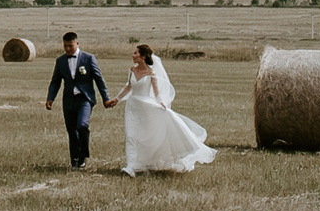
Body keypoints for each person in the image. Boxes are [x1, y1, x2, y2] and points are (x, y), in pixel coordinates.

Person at [118, 44, 214, 175]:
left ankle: (141, 163)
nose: (133, 55)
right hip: (132, 107)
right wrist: (116, 99)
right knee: (131, 136)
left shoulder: (152, 73)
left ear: (143, 56)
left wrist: (162, 104)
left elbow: (157, 93)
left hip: (146, 107)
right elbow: (128, 87)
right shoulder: (132, 70)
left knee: (144, 136)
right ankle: (130, 166)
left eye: (135, 53)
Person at [43, 31, 111, 170]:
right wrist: (51, 98)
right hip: (68, 100)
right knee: (72, 131)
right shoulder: (60, 61)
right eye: (65, 46)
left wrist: (106, 98)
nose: (67, 49)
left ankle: (83, 154)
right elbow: (55, 81)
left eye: (70, 46)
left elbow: (99, 79)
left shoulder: (88, 58)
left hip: (85, 99)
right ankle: (75, 160)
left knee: (82, 125)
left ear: (77, 43)